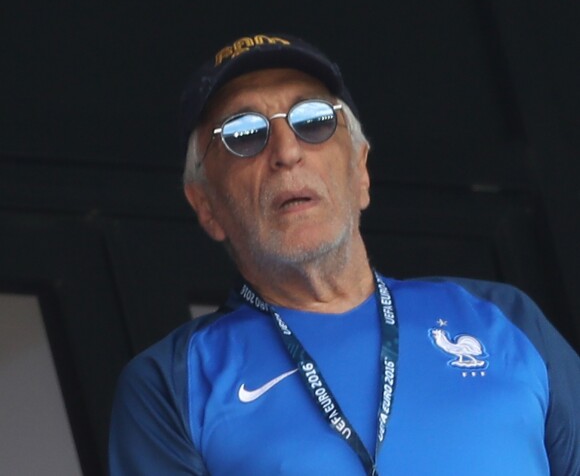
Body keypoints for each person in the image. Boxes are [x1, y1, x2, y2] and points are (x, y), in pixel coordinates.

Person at [109, 33, 580, 475]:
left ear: (361, 172)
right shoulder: (173, 383)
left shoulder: (504, 320)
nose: (287, 151)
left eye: (313, 120)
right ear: (206, 205)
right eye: (245, 133)